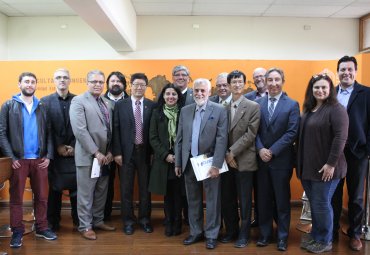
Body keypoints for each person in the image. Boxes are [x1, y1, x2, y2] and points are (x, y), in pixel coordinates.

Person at [0, 72, 57, 248]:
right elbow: (2, 132)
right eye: (26, 81)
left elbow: (48, 132)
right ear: (19, 84)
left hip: (39, 159)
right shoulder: (9, 105)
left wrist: (48, 155)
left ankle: (41, 227)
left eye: (33, 82)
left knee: (42, 197)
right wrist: (12, 156)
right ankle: (17, 231)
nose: (30, 84)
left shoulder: (42, 106)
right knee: (16, 198)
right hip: (19, 160)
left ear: (36, 85)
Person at [297, 74, 348, 253]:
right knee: (316, 203)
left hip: (327, 168)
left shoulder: (336, 109)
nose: (320, 90)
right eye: (316, 87)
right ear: (311, 90)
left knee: (321, 203)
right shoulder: (309, 109)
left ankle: (325, 240)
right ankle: (316, 236)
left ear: (330, 89)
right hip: (308, 168)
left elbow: (341, 138)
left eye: (324, 87)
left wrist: (331, 164)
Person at [175, 78, 228, 250]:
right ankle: (196, 232)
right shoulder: (185, 110)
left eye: (202, 91)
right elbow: (180, 138)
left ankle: (212, 234)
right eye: (196, 90)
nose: (199, 93)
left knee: (212, 200)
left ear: (209, 92)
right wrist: (178, 162)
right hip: (189, 162)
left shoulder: (219, 110)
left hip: (209, 163)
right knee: (193, 199)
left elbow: (222, 139)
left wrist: (217, 165)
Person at [255, 68, 300, 251]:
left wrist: (271, 151)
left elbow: (292, 133)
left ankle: (282, 237)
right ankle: (265, 235)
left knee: (282, 201)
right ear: (265, 82)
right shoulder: (257, 104)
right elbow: (254, 131)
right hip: (261, 161)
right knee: (263, 200)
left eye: (277, 80)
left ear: (283, 81)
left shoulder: (292, 104)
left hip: (281, 161)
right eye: (270, 80)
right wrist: (260, 149)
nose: (273, 83)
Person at [70, 70, 116, 241]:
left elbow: (111, 130)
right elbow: (80, 131)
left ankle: (98, 220)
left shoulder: (107, 102)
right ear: (87, 82)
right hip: (89, 157)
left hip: (106, 158)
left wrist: (110, 152)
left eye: (100, 82)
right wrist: (96, 152)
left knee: (101, 191)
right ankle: (85, 226)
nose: (97, 84)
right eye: (94, 81)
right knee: (86, 194)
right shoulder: (78, 101)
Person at [331, 56, 370, 251]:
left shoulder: (366, 93)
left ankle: (355, 234)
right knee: (333, 194)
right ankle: (333, 230)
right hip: (334, 154)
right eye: (342, 69)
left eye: (349, 69)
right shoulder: (330, 93)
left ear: (355, 71)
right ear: (337, 72)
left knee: (355, 196)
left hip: (358, 153)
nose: (346, 73)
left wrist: (367, 151)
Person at [113, 73, 155, 235]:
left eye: (142, 85)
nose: (139, 88)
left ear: (146, 87)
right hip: (125, 154)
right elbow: (115, 129)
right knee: (126, 190)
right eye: (136, 84)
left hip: (145, 154)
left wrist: (153, 153)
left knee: (145, 190)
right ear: (130, 86)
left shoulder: (152, 105)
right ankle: (128, 221)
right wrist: (117, 152)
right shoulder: (121, 105)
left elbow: (153, 132)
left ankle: (145, 219)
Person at [226, 70, 260, 248]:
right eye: (233, 82)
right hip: (226, 162)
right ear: (229, 85)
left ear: (244, 84)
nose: (237, 85)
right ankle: (231, 231)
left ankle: (244, 234)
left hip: (244, 161)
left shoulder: (253, 106)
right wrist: (226, 154)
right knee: (229, 198)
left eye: (240, 82)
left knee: (245, 200)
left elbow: (250, 134)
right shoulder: (223, 107)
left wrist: (232, 152)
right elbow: (220, 133)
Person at [41, 68, 79, 231]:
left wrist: (75, 148)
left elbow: (84, 127)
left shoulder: (79, 100)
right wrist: (57, 147)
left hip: (76, 153)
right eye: (58, 77)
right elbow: (44, 129)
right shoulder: (44, 101)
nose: (62, 80)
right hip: (54, 153)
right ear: (54, 81)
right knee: (54, 191)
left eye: (65, 77)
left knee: (77, 191)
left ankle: (79, 222)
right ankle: (52, 222)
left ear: (70, 80)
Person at [148, 84, 184, 236]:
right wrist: (166, 155)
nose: (171, 97)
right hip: (163, 160)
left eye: (174, 94)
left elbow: (187, 136)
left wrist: (178, 156)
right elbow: (153, 138)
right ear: (162, 96)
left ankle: (178, 223)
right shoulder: (156, 113)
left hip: (180, 158)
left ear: (178, 96)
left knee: (179, 193)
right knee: (167, 194)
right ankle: (168, 222)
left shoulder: (184, 112)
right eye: (168, 94)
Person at [210, 72, 239, 244]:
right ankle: (215, 228)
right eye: (218, 85)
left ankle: (231, 230)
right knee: (215, 196)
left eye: (224, 85)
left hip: (231, 158)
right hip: (212, 159)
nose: (221, 88)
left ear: (230, 86)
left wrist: (229, 153)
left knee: (228, 197)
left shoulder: (238, 103)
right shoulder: (211, 101)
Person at [103, 71, 129, 221]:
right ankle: (105, 215)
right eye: (112, 81)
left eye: (119, 81)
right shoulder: (100, 100)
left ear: (124, 85)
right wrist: (111, 150)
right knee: (106, 184)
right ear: (108, 84)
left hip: (127, 151)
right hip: (106, 151)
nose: (115, 84)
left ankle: (127, 216)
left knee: (126, 185)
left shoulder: (131, 100)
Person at [245, 67, 267, 228]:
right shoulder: (247, 98)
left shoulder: (283, 97)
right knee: (250, 188)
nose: (259, 78)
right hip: (250, 151)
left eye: (262, 76)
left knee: (264, 190)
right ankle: (256, 218)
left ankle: (264, 220)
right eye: (256, 77)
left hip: (270, 152)